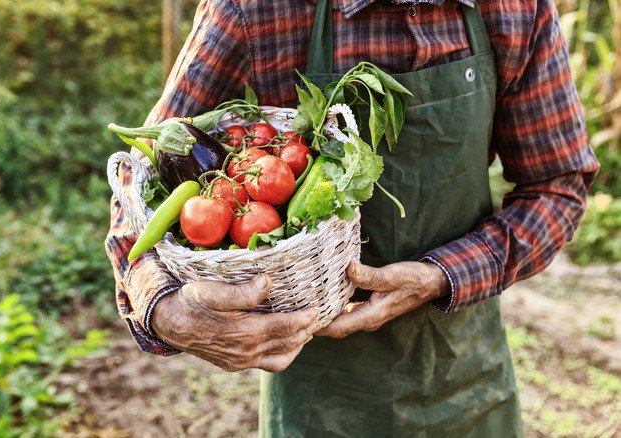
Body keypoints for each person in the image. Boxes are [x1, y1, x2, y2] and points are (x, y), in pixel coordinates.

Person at [105, 0, 599, 436]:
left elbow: (557, 185)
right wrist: (167, 312)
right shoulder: (254, 9)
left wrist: (443, 275)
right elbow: (143, 182)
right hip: (320, 396)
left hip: (468, 374)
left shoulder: (515, 8)